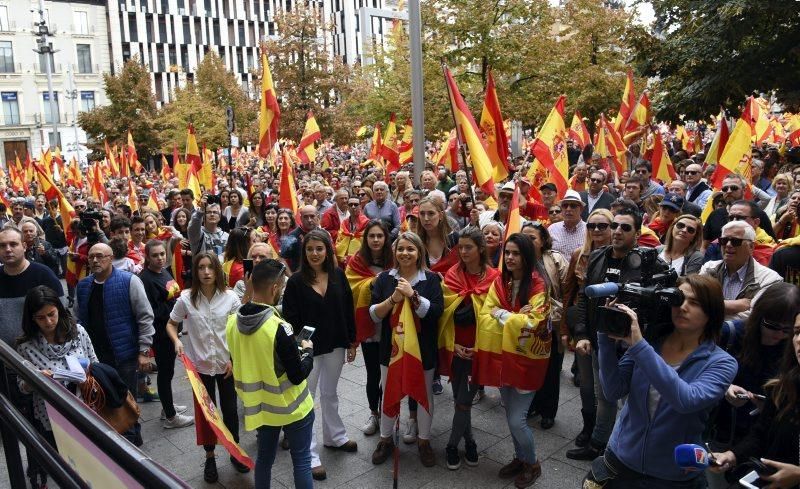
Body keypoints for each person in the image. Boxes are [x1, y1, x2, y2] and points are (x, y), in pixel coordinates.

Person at [585, 274, 737, 487]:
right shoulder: (652, 344)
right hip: (621, 458)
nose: (682, 307)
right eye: (678, 299)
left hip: (671, 475)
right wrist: (605, 333)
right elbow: (612, 390)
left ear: (711, 312)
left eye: (694, 303)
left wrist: (639, 346)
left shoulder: (721, 363)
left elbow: (685, 400)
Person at [567, 205, 671, 461]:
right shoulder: (598, 256)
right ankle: (597, 439)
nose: (617, 231)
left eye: (625, 227)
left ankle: (613, 446)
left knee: (623, 398)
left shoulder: (650, 264)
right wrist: (582, 333)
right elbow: (584, 298)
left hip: (630, 346)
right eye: (615, 225)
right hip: (599, 338)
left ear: (637, 232)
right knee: (599, 393)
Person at [227, 259, 315, 489]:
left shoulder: (232, 322)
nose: (282, 292)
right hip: (293, 408)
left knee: (264, 460)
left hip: (260, 408)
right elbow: (297, 375)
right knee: (302, 461)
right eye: (282, 287)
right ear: (275, 287)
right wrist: (307, 352)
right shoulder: (278, 327)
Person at [473, 233, 551, 488]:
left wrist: (504, 314)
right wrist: (516, 316)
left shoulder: (539, 285)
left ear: (526, 256)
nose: (509, 258)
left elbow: (535, 323)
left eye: (516, 253)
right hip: (504, 357)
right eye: (507, 253)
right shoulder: (500, 282)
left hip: (527, 360)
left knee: (517, 420)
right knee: (510, 415)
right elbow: (485, 314)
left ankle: (533, 463)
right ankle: (520, 458)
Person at [281, 229, 358, 481]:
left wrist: (351, 341)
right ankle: (309, 454)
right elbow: (290, 320)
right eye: (310, 249)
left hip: (336, 343)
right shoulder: (295, 282)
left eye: (319, 249)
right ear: (304, 252)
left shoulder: (337, 274)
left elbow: (348, 308)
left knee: (330, 393)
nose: (314, 254)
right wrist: (301, 348)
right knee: (307, 399)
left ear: (327, 250)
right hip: (308, 350)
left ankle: (335, 437)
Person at [707, 282, 800, 484]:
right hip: (726, 432)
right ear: (759, 316)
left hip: (766, 451)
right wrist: (724, 387)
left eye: (789, 331)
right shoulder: (731, 334)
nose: (780, 335)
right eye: (772, 326)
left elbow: (767, 425)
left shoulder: (789, 363)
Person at [166, 252, 245, 483]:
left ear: (218, 270)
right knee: (207, 414)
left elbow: (237, 332)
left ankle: (235, 451)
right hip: (199, 366)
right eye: (201, 267)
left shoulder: (230, 298)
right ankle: (210, 457)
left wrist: (234, 358)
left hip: (226, 365)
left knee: (230, 410)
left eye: (211, 267)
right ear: (196, 271)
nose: (207, 272)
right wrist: (177, 340)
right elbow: (171, 324)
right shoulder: (186, 298)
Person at [369, 231, 444, 468]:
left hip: (423, 349)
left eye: (410, 249)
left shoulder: (431, 280)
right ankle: (385, 439)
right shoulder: (384, 279)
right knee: (389, 390)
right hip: (390, 349)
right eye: (400, 249)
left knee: (423, 395)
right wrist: (393, 299)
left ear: (419, 252)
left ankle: (423, 441)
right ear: (394, 252)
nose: (405, 253)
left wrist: (413, 296)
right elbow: (375, 315)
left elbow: (435, 313)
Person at [16, 285, 98, 489]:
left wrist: (88, 374)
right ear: (32, 318)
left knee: (91, 461)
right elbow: (21, 387)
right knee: (66, 466)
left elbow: (96, 363)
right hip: (51, 417)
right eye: (40, 317)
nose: (48, 322)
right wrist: (34, 379)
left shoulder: (78, 332)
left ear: (59, 310)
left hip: (86, 406)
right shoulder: (26, 347)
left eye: (51, 314)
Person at [76, 242, 155, 447]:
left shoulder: (129, 281)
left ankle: (133, 438)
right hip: (95, 357)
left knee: (126, 397)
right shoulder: (83, 286)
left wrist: (144, 350)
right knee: (104, 398)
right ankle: (117, 436)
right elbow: (78, 319)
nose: (94, 260)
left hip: (124, 354)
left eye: (100, 256)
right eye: (91, 256)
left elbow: (145, 317)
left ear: (111, 258)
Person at [437, 228, 500, 470]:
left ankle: (452, 445)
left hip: (480, 348)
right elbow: (444, 315)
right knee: (458, 398)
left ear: (481, 249)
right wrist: (454, 347)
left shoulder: (494, 278)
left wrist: (477, 346)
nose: (462, 252)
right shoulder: (451, 275)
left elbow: (496, 315)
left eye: (468, 247)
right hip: (456, 346)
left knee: (464, 399)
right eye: (460, 247)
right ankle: (470, 441)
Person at [563, 208, 613, 449]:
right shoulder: (579, 255)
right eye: (592, 226)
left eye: (602, 226)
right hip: (582, 325)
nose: (596, 230)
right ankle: (588, 426)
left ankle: (605, 432)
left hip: (610, 329)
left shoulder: (621, 257)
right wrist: (565, 329)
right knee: (585, 381)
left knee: (605, 385)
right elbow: (569, 292)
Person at [138, 239, 193, 429]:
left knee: (168, 373)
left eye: (162, 254)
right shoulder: (145, 279)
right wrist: (178, 303)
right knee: (164, 373)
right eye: (155, 255)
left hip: (172, 330)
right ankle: (171, 417)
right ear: (147, 257)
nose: (160, 258)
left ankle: (167, 406)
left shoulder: (163, 271)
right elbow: (152, 311)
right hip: (161, 334)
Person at [345, 220, 393, 435]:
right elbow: (350, 289)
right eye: (371, 236)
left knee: (391, 373)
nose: (375, 240)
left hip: (392, 325)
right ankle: (374, 413)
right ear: (365, 239)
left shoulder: (395, 260)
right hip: (368, 328)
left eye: (379, 236)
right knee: (373, 373)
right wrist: (373, 283)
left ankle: (390, 413)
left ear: (385, 238)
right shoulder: (356, 262)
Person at [522, 222, 568, 430]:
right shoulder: (517, 259)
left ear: (542, 241)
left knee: (551, 369)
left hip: (553, 322)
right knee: (531, 367)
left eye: (532, 238)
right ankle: (532, 405)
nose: (528, 242)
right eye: (524, 237)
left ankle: (548, 412)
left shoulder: (555, 259)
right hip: (526, 323)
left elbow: (567, 290)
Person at [700, 221, 782, 322]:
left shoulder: (770, 279)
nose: (728, 245)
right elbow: (695, 302)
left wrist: (709, 310)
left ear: (751, 247)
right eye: (724, 241)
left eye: (735, 241)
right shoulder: (709, 268)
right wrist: (734, 306)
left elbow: (754, 318)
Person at [549, 190, 587, 258]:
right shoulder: (552, 229)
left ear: (581, 209)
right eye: (565, 205)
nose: (568, 209)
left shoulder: (589, 229)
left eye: (573, 206)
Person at [334, 196, 369, 265]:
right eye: (350, 205)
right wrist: (342, 257)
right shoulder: (344, 223)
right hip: (344, 260)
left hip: (361, 259)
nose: (353, 207)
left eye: (356, 205)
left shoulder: (366, 223)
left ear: (360, 207)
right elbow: (339, 241)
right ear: (347, 207)